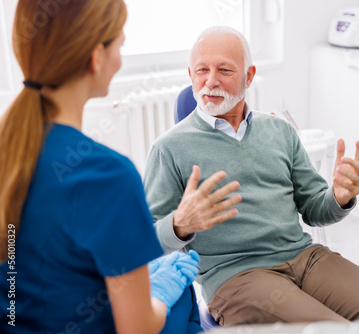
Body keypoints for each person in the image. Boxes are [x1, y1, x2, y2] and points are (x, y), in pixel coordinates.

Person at [0, 1, 240, 333]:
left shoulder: (11, 148)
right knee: (182, 290)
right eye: (120, 45)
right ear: (97, 57)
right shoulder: (107, 175)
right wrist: (158, 294)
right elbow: (137, 328)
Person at [144, 25, 359, 327]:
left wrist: (340, 197)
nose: (211, 81)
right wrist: (178, 226)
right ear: (191, 75)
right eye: (202, 70)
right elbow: (144, 242)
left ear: (249, 76)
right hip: (237, 277)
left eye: (225, 70)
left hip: (307, 259)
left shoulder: (279, 131)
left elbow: (315, 209)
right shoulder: (169, 149)